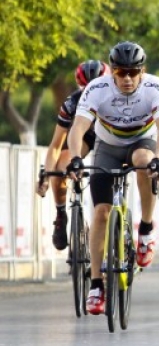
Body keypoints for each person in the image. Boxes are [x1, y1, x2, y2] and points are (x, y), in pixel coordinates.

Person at [66, 42, 159, 315]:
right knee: (101, 213)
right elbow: (78, 128)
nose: (127, 78)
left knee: (144, 162)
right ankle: (96, 285)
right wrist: (76, 158)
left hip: (142, 141)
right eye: (121, 72)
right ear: (112, 71)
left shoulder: (155, 86)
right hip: (108, 146)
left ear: (142, 71)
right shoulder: (97, 88)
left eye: (133, 72)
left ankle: (145, 228)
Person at [36, 60, 110, 250]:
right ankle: (61, 214)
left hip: (111, 140)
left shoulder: (118, 97)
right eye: (87, 90)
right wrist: (47, 175)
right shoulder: (72, 103)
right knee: (61, 166)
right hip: (85, 137)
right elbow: (56, 145)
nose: (93, 94)